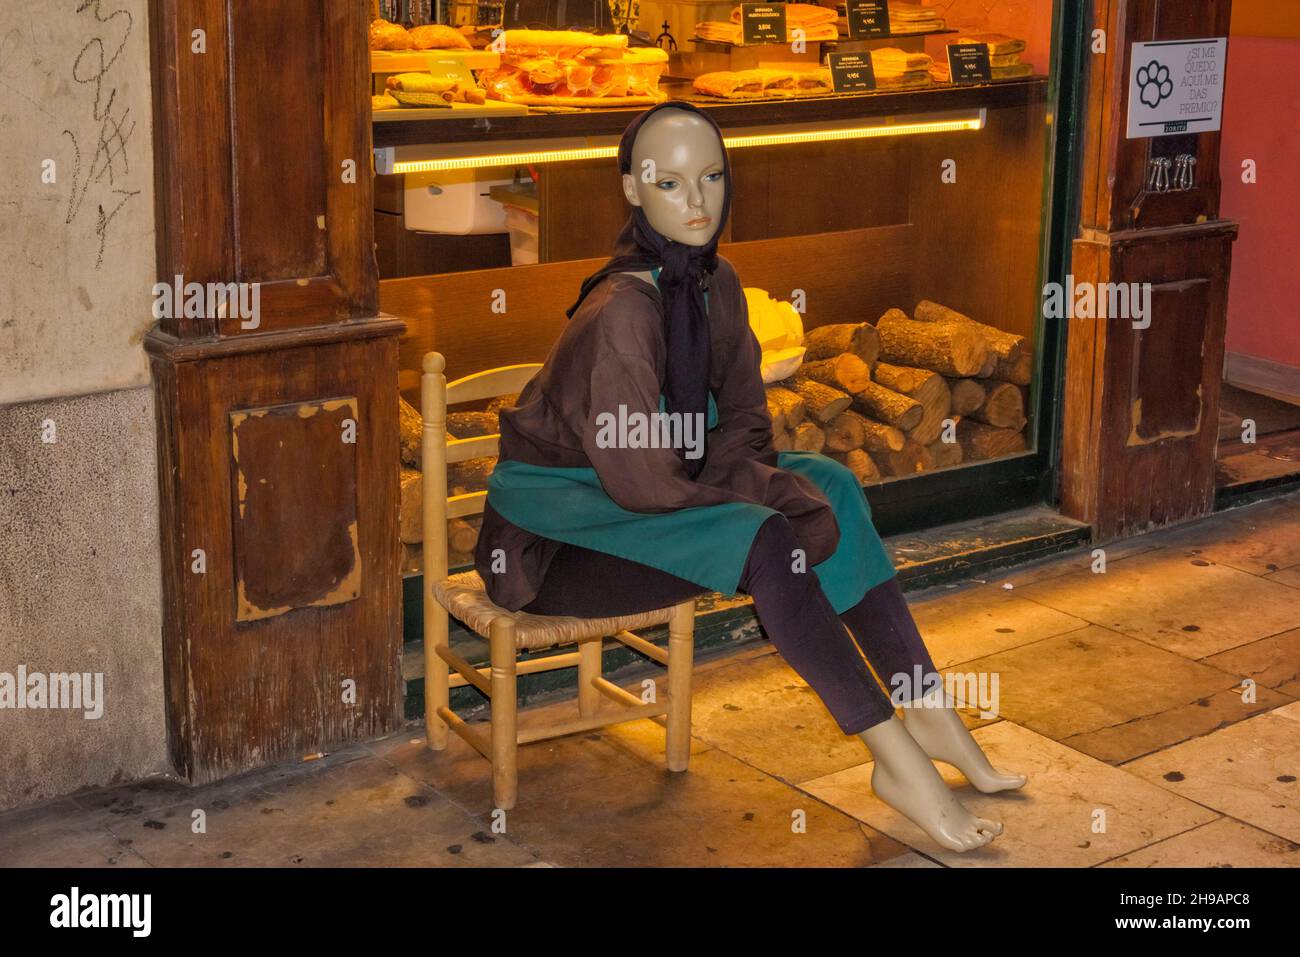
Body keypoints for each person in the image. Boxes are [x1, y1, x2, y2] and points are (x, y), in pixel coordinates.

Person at [474, 100, 1025, 852]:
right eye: (670, 183)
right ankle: (896, 761)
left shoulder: (716, 281)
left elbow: (744, 422)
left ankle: (929, 712)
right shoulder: (619, 315)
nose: (698, 202)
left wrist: (772, 484)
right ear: (632, 189)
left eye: (711, 177)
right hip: (558, 542)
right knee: (770, 536)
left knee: (830, 481)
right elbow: (640, 480)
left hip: (661, 488)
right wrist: (762, 498)